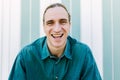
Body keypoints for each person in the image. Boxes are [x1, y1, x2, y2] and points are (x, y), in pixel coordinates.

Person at [9, 3, 101, 80]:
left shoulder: (83, 53)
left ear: (69, 25)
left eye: (63, 22)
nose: (57, 29)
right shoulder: (26, 56)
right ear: (44, 27)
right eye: (50, 23)